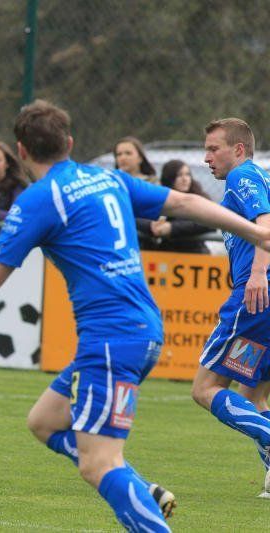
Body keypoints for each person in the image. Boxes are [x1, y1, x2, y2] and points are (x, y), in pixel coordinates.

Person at [0, 100, 270, 530]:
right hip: (140, 330)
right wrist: (254, 232)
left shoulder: (38, 200)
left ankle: (130, 487)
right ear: (69, 143)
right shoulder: (106, 178)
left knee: (97, 464)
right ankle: (139, 488)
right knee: (44, 421)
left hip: (112, 338)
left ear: (21, 152)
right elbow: (182, 202)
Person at [190, 118, 270, 494]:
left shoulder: (243, 176)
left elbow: (265, 223)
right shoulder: (261, 178)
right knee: (253, 395)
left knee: (205, 389)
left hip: (258, 298)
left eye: (213, 149)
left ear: (238, 149)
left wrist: (256, 274)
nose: (206, 158)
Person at [136, 160, 212, 253]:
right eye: (179, 175)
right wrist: (151, 226)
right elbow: (138, 218)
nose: (185, 179)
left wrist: (171, 227)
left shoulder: (199, 197)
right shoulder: (160, 197)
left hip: (195, 254)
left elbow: (210, 222)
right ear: (169, 178)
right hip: (166, 253)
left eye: (187, 174)